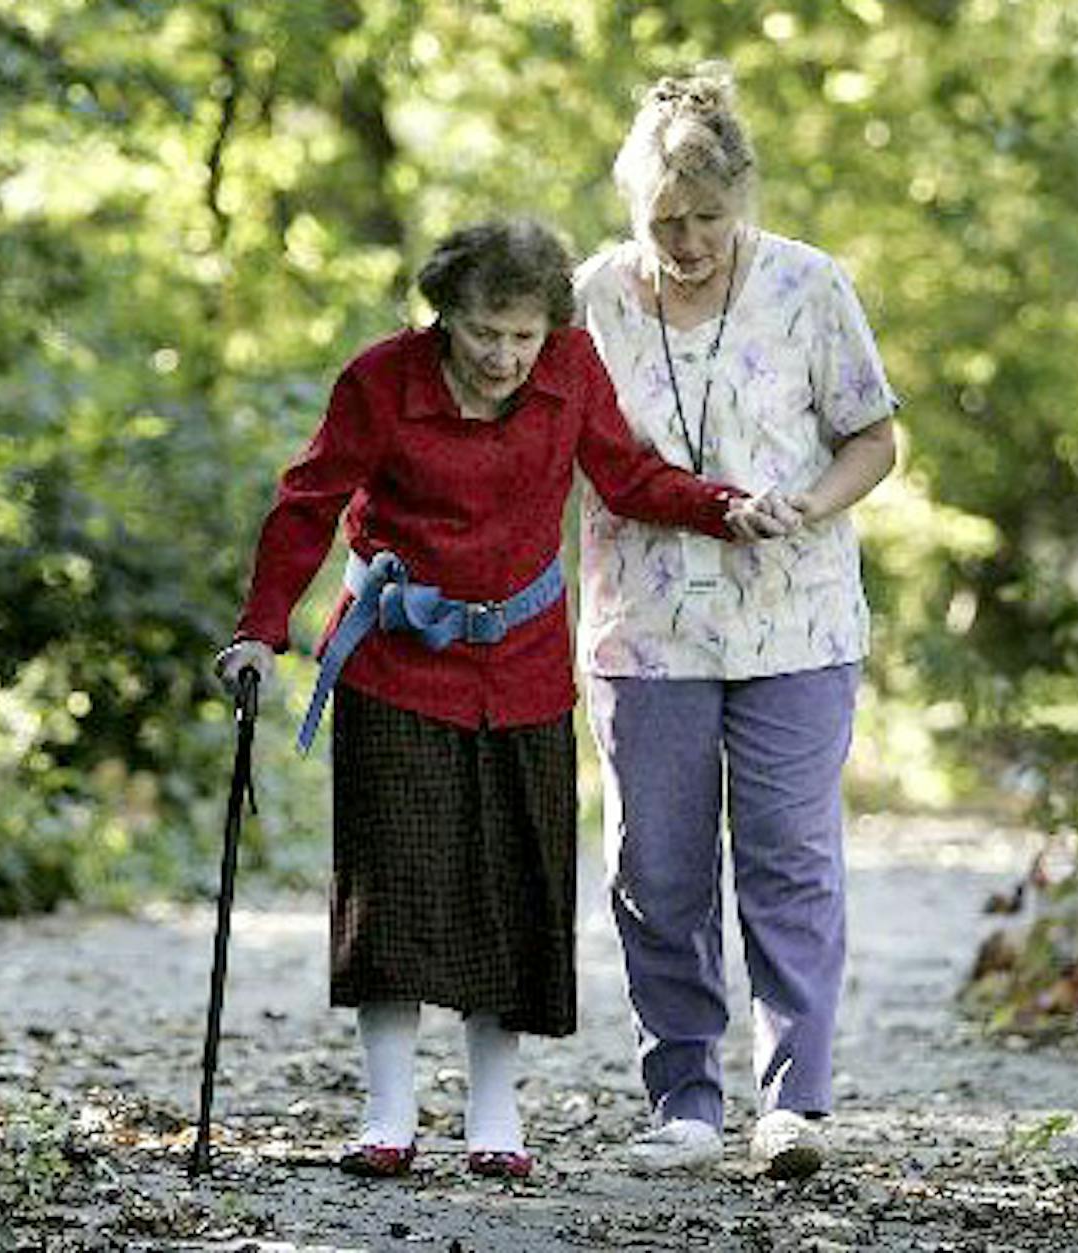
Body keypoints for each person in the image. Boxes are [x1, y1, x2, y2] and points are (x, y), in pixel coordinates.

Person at [214, 218, 768, 1181]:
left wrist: (721, 506)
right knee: (392, 887)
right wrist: (262, 629)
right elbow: (308, 503)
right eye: (486, 333)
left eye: (524, 335)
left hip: (520, 666)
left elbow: (627, 477)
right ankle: (387, 1113)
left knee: (512, 886)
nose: (508, 355)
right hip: (396, 660)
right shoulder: (381, 381)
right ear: (445, 317)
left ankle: (493, 1113)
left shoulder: (570, 370)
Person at [573, 66, 900, 1179]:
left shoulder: (811, 285)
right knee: (655, 868)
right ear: (633, 212)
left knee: (788, 857)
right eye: (667, 220)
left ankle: (793, 1101)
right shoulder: (592, 300)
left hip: (796, 621)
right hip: (644, 628)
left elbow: (872, 435)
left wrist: (811, 502)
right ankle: (685, 1102)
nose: (690, 241)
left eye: (710, 216)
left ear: (741, 200)